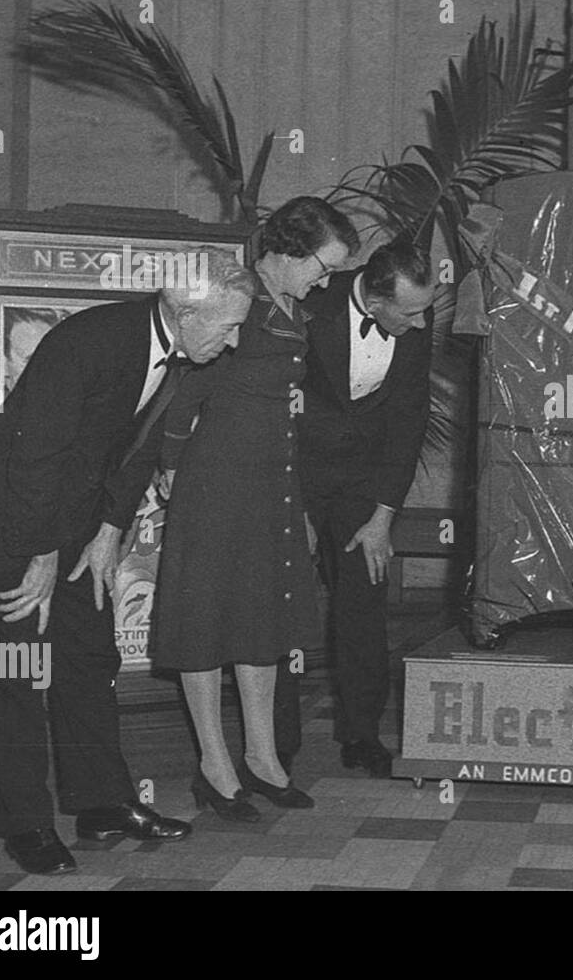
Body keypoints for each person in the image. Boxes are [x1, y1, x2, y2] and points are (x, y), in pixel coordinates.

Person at [0, 252, 255, 874]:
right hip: (6, 516)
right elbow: (36, 455)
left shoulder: (179, 352)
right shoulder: (89, 341)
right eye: (228, 327)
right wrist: (41, 553)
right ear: (187, 310)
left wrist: (109, 529)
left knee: (89, 657)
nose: (234, 342)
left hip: (70, 516)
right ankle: (24, 824)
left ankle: (102, 804)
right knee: (12, 668)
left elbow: (135, 450)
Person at [151, 196, 359, 821]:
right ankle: (215, 768)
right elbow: (184, 384)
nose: (326, 281)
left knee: (261, 619)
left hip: (272, 482)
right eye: (321, 267)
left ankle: (263, 759)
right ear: (287, 250)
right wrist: (168, 460)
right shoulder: (237, 295)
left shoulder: (292, 304)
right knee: (205, 621)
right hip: (215, 482)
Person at [273, 238, 435, 778]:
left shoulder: (413, 321)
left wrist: (382, 515)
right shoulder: (311, 303)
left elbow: (408, 423)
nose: (419, 322)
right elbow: (273, 404)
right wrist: (291, 506)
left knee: (364, 605)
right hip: (295, 475)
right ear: (375, 294)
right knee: (285, 605)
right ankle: (277, 743)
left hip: (363, 486)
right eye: (409, 312)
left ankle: (362, 735)